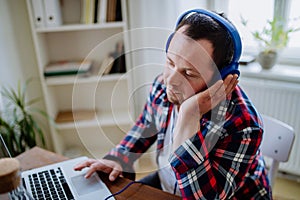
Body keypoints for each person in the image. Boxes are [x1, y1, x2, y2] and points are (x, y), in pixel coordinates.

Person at [74, 9, 272, 199]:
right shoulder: (163, 85)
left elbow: (203, 198)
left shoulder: (244, 125)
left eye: (189, 73)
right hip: (167, 182)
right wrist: (118, 158)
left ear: (220, 78)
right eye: (170, 62)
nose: (171, 80)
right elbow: (145, 127)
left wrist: (189, 116)